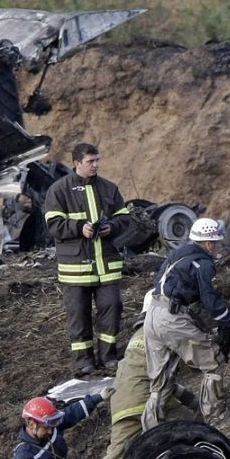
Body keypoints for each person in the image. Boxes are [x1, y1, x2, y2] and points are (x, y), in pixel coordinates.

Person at [142, 218, 230, 431]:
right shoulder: (204, 264)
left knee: (160, 381)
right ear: (208, 243)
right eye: (217, 242)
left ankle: (151, 429)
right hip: (171, 319)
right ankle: (216, 415)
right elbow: (212, 303)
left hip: (152, 315)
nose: (219, 246)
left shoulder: (179, 253)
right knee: (212, 361)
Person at [87, 291, 200, 459]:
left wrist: (193, 400)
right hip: (141, 398)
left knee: (117, 453)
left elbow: (164, 381)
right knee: (193, 426)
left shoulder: (140, 335)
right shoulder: (160, 330)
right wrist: (198, 406)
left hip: (123, 398)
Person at [44, 143, 132, 376]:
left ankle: (109, 356)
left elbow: (124, 218)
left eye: (97, 160)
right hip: (75, 268)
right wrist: (78, 228)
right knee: (78, 315)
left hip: (106, 266)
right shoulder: (58, 190)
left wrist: (111, 227)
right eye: (90, 161)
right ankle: (84, 362)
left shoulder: (109, 188)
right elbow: (53, 224)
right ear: (76, 163)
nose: (96, 165)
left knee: (112, 308)